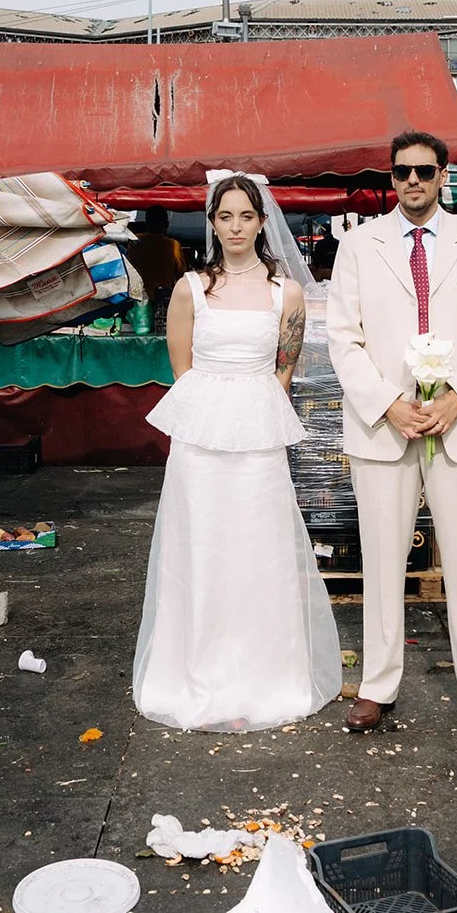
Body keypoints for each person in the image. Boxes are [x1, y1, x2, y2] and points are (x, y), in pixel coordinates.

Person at [326, 130, 457, 739]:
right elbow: (342, 339)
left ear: (443, 177)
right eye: (403, 172)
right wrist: (388, 405)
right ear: (391, 178)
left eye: (425, 171)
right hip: (385, 429)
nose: (413, 181)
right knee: (382, 564)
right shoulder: (358, 246)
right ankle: (378, 687)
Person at [133, 173, 341, 731]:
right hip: (200, 437)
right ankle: (195, 670)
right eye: (225, 217)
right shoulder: (189, 288)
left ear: (262, 220)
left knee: (259, 546)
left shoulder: (286, 293)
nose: (235, 227)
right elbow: (183, 371)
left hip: (258, 435)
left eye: (245, 216)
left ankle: (266, 674)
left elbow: (285, 370)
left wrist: (254, 419)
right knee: (200, 546)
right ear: (212, 222)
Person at [125, 205, 187, 302]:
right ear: (166, 224)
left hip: (138, 298)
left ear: (147, 223)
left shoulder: (135, 241)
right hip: (162, 300)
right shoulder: (173, 245)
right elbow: (181, 273)